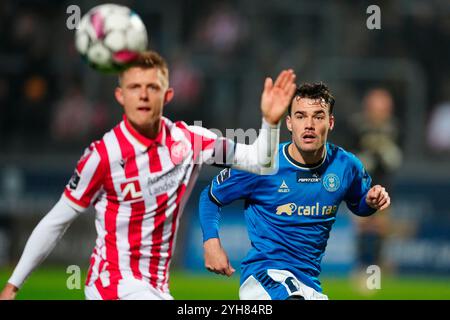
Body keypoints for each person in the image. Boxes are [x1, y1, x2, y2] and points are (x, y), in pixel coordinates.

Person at [0, 50, 296, 300]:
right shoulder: (102, 155)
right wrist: (13, 285)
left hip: (155, 287)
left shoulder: (190, 141)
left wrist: (270, 122)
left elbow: (261, 162)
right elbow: (57, 220)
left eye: (152, 87)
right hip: (112, 285)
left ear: (167, 95)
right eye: (134, 87)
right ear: (120, 95)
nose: (143, 94)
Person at [199, 82, 391, 300]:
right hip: (265, 277)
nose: (308, 124)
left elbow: (359, 205)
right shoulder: (262, 163)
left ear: (330, 122)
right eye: (300, 116)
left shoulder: (346, 165)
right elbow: (210, 197)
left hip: (310, 284)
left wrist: (371, 202)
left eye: (318, 117)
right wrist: (211, 243)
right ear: (289, 123)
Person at [346, 88, 402, 286]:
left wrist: (384, 153)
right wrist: (367, 158)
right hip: (360, 186)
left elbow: (395, 160)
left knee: (381, 227)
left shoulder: (394, 128)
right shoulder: (357, 126)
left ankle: (378, 267)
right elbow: (350, 156)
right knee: (362, 226)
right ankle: (361, 266)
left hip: (384, 186)